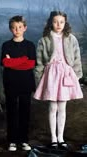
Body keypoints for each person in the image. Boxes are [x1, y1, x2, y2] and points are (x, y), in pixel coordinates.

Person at [33, 11, 83, 150]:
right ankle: (53, 138)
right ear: (51, 22)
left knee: (62, 107)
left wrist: (76, 75)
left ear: (65, 22)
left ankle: (61, 137)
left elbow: (77, 57)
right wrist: (39, 77)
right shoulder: (44, 39)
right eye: (55, 21)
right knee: (53, 106)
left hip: (66, 73)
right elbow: (39, 61)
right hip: (51, 75)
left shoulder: (71, 38)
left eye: (61, 22)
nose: (58, 24)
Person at [1, 15, 36, 151]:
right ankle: (12, 141)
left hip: (26, 83)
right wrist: (23, 59)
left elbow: (31, 64)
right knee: (11, 112)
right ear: (11, 29)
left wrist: (13, 62)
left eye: (20, 27)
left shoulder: (30, 45)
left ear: (25, 28)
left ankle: (24, 140)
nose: (17, 30)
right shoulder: (6, 45)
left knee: (25, 112)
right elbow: (5, 63)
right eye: (14, 27)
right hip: (10, 83)